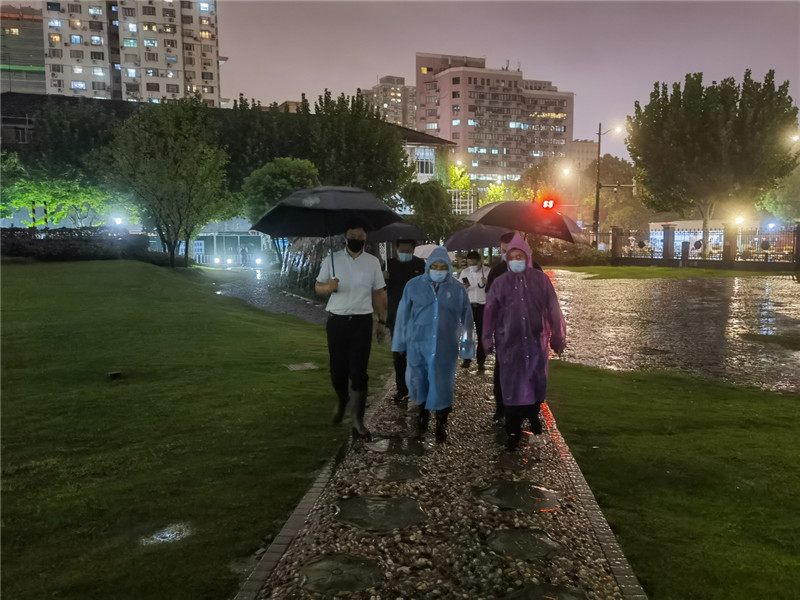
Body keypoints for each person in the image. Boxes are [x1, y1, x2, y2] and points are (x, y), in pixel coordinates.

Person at [483, 234, 566, 451]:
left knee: (535, 382)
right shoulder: (500, 281)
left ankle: (531, 413)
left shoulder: (541, 280)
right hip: (508, 344)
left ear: (527, 256)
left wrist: (557, 337)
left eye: (519, 256)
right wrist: (487, 339)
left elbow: (553, 309)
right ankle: (513, 430)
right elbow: (490, 311)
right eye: (511, 257)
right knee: (510, 385)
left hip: (535, 342)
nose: (515, 260)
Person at [392, 246, 475, 442]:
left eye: (442, 267)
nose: (438, 270)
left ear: (448, 267)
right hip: (418, 344)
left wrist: (466, 348)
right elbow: (403, 315)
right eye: (434, 266)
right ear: (428, 266)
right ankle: (423, 412)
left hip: (445, 346)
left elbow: (467, 319)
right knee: (419, 381)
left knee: (442, 384)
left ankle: (441, 421)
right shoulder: (413, 286)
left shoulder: (457, 289)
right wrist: (400, 344)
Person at [315, 221, 388, 440]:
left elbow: (379, 292)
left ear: (365, 238)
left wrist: (381, 322)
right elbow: (318, 286)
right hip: (336, 322)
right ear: (345, 237)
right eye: (352, 235)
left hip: (361, 323)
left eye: (360, 236)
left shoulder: (372, 262)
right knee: (337, 371)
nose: (356, 239)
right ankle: (342, 399)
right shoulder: (332, 259)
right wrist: (328, 287)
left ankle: (358, 419)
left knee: (358, 372)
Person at [485, 232, 543, 421]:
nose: (505, 254)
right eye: (502, 251)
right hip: (505, 331)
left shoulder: (535, 269)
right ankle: (502, 407)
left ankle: (529, 409)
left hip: (530, 330)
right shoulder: (497, 271)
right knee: (503, 369)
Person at [385, 239, 426, 402]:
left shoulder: (420, 265)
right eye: (402, 250)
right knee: (399, 354)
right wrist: (384, 278)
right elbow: (380, 289)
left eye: (408, 250)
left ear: (413, 250)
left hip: (416, 316)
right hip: (396, 316)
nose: (405, 253)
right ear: (396, 249)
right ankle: (401, 388)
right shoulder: (388, 264)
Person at [458, 250, 489, 371]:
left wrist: (488, 283)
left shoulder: (487, 271)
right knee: (467, 333)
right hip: (469, 306)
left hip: (483, 306)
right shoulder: (465, 272)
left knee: (482, 334)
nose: (471, 266)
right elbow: (460, 290)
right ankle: (467, 358)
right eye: (469, 263)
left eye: (474, 263)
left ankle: (481, 360)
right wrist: (463, 288)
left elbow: (494, 288)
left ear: (479, 261)